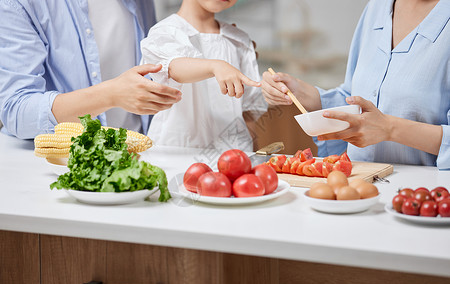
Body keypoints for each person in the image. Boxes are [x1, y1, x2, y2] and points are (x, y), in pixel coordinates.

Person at [261, 0, 450, 169]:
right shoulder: (377, 7)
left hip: (420, 195)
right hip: (357, 184)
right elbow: (357, 98)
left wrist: (390, 128)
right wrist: (306, 95)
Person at [0, 0, 182, 139]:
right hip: (53, 167)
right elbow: (16, 110)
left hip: (133, 158)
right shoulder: (19, 4)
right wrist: (111, 95)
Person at [140, 0, 268, 152]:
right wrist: (215, 66)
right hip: (177, 152)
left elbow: (248, 111)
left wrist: (252, 160)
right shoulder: (165, 32)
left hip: (232, 156)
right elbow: (172, 68)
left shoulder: (238, 40)